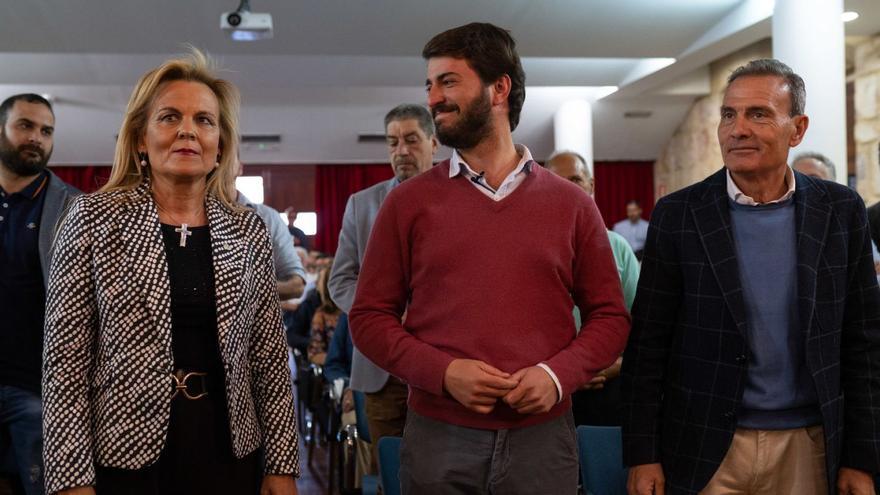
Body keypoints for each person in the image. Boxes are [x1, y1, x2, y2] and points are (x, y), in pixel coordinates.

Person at [349, 23, 630, 495]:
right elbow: (369, 318)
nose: (434, 97)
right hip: (438, 437)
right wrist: (442, 373)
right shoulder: (407, 204)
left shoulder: (572, 205)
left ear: (500, 87)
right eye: (430, 85)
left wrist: (556, 376)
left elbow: (610, 318)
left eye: (449, 81)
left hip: (543, 439)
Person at [41, 50, 299, 495]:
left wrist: (282, 465)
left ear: (220, 145)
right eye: (169, 117)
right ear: (141, 138)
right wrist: (70, 480)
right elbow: (64, 365)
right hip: (124, 453)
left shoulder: (247, 229)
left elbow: (269, 360)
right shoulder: (91, 217)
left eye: (204, 120)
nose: (187, 130)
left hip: (229, 450)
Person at [621, 59, 880, 495]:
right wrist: (643, 454)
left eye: (758, 114)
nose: (737, 129)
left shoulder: (841, 211)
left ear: (797, 129)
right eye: (729, 114)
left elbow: (864, 343)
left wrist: (863, 459)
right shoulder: (679, 215)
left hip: (812, 444)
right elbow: (648, 346)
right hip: (705, 447)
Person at [327, 103, 437, 472]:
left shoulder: (460, 198)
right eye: (392, 142)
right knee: (387, 471)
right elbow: (341, 280)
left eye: (411, 140)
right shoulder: (362, 205)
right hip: (381, 369)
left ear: (434, 143)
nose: (401, 151)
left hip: (443, 362)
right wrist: (385, 313)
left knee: (443, 473)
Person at [0, 93, 78, 495]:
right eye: (25, 126)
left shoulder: (73, 209)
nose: (37, 138)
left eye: (46, 131)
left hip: (38, 387)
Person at [545, 150, 639, 427]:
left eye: (575, 179)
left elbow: (645, 325)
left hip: (608, 390)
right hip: (548, 391)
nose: (569, 190)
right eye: (557, 181)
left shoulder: (617, 247)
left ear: (591, 185)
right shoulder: (530, 250)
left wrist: (616, 366)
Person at [234, 157, 306, 300]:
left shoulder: (268, 218)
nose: (217, 163)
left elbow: (296, 285)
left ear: (239, 168)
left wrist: (242, 290)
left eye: (224, 156)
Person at [307, 264, 341, 365]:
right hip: (337, 372)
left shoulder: (354, 312)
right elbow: (315, 354)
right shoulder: (321, 315)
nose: (317, 287)